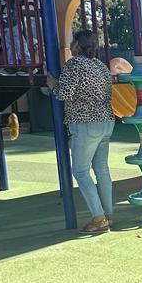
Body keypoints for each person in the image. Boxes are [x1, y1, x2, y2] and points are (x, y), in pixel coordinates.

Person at [45, 30, 116, 234]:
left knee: (81, 171)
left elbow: (64, 93)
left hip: (86, 122)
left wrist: (53, 85)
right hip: (106, 120)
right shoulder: (101, 66)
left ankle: (99, 218)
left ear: (77, 45)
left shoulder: (75, 64)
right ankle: (108, 214)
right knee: (101, 169)